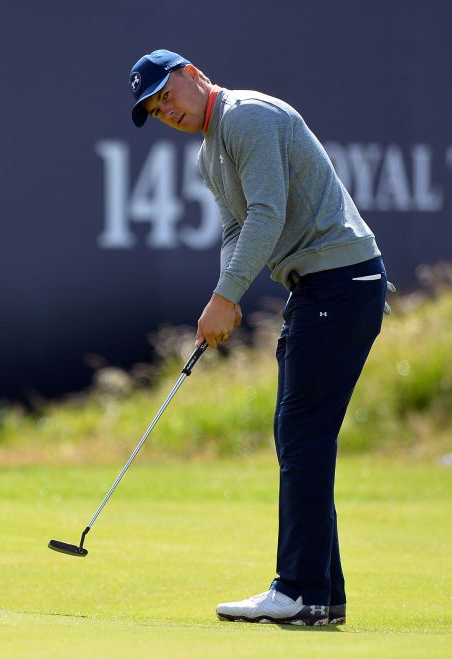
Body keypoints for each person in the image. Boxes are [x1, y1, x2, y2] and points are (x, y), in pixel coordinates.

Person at [127, 49, 389, 626]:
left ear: (194, 75)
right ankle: (321, 596)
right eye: (154, 108)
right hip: (320, 289)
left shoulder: (246, 117)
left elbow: (268, 214)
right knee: (301, 438)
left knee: (301, 437)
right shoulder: (207, 154)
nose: (165, 111)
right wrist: (227, 291)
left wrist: (226, 297)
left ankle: (297, 589)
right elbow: (236, 227)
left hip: (341, 283)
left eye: (167, 94)